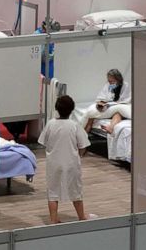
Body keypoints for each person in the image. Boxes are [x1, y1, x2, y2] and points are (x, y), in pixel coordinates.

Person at [39, 95, 90, 224]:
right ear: (72, 109)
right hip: (72, 163)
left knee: (53, 191)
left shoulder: (50, 124)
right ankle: (81, 216)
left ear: (57, 108)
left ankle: (53, 219)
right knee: (76, 190)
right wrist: (79, 154)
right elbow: (83, 145)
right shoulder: (75, 125)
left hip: (54, 164)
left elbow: (43, 141)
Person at [83, 68, 131, 133]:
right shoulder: (107, 85)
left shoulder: (125, 85)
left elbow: (126, 100)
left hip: (120, 106)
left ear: (118, 80)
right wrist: (101, 104)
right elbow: (101, 98)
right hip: (108, 107)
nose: (110, 83)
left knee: (117, 113)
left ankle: (111, 128)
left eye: (112, 81)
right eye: (109, 81)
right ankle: (84, 134)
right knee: (92, 114)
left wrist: (114, 103)